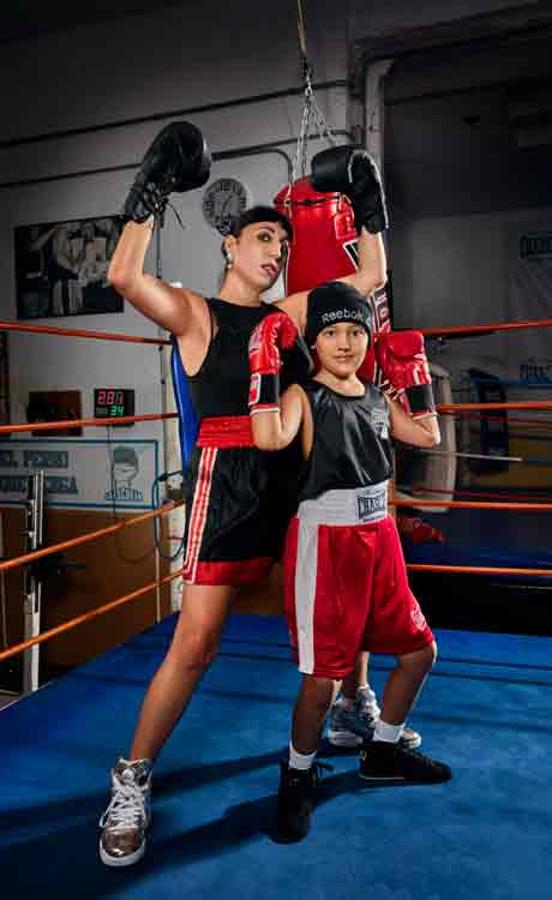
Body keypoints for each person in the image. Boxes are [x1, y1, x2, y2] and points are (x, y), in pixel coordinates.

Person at [97, 122, 387, 866]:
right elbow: (125, 279)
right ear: (230, 244)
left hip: (296, 482)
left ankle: (352, 706)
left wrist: (368, 208)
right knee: (195, 646)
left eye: (282, 245)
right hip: (225, 489)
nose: (276, 251)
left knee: (342, 597)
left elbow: (368, 283)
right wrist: (148, 194)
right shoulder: (199, 314)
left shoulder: (289, 319)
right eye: (262, 238)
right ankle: (131, 778)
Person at [248, 281, 452, 843]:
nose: (344, 343)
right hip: (327, 541)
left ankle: (383, 749)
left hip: (380, 537)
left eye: (355, 332)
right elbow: (267, 438)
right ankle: (295, 775)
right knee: (321, 681)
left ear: (368, 339)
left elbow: (428, 433)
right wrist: (263, 368)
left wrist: (413, 373)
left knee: (419, 651)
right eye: (332, 332)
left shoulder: (373, 396)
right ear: (314, 341)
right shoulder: (300, 396)